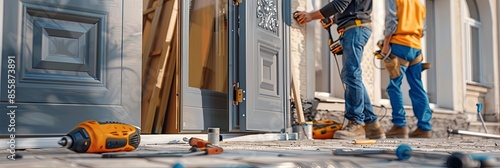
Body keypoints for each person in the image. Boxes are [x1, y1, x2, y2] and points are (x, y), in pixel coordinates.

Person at [295, 0, 386, 140]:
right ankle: (372, 125)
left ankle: (356, 123)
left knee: (351, 75)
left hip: (355, 29)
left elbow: (340, 4)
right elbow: (351, 8)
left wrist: (311, 16)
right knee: (352, 76)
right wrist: (333, 19)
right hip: (355, 27)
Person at [381, 0, 432, 138]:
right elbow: (423, 30)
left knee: (394, 86)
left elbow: (392, 21)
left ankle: (399, 125)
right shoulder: (419, 4)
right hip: (416, 48)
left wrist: (386, 44)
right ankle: (425, 127)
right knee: (417, 86)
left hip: (400, 45)